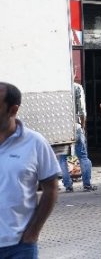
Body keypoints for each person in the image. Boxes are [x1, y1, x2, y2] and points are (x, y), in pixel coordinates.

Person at [0, 82, 61, 258]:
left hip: (19, 247)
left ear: (13, 110)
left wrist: (33, 231)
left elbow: (51, 188)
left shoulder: (35, 143)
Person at [59, 80, 97, 192]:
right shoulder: (76, 87)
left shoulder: (57, 86)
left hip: (61, 129)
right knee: (83, 156)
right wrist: (83, 127)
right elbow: (82, 111)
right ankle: (87, 185)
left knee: (62, 158)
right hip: (75, 126)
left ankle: (68, 186)